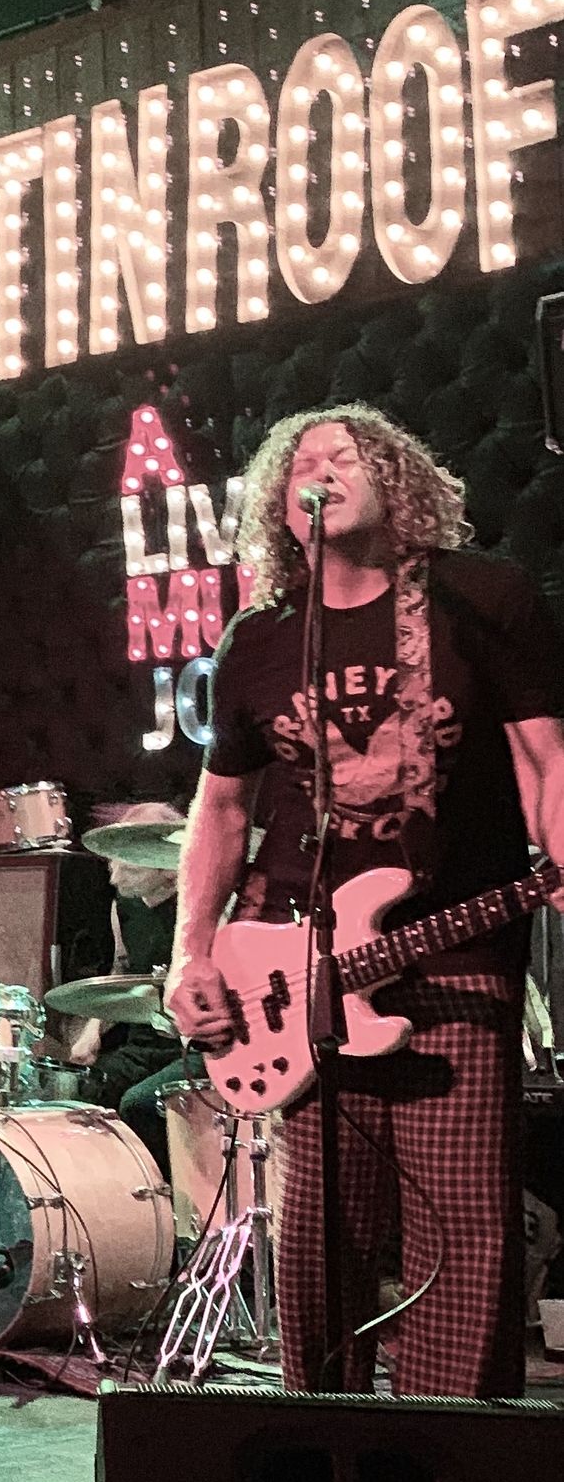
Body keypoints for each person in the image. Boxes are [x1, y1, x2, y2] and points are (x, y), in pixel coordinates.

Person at [165, 403, 564, 1398]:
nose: (325, 468)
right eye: (303, 460)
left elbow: (544, 762)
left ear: (397, 480)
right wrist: (191, 952)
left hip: (455, 956)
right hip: (300, 972)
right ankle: (321, 1448)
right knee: (317, 1246)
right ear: (281, 507)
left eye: (349, 454)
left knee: (461, 1238)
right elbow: (221, 811)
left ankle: (447, 1458)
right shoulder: (260, 640)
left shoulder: (481, 599)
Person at [63, 802, 186, 1169]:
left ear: (168, 865)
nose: (115, 878)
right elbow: (123, 968)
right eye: (112, 864)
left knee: (139, 1104)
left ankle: (164, 1191)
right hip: (142, 1044)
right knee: (80, 1092)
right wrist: (92, 1030)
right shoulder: (124, 907)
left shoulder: (199, 906)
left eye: (129, 866)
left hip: (190, 1049)